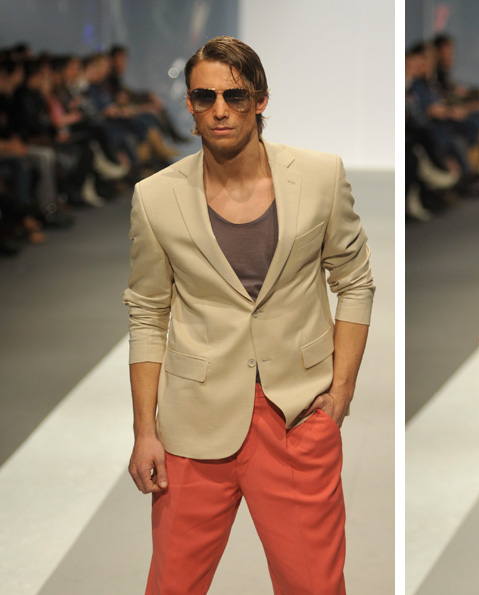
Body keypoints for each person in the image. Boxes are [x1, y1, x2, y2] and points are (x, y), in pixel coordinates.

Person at [123, 36, 374, 594]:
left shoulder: (320, 176)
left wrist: (342, 390)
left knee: (314, 588)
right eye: (204, 96)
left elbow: (355, 281)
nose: (220, 110)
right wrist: (145, 430)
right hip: (194, 420)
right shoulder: (155, 197)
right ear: (189, 104)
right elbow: (147, 313)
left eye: (234, 96)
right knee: (173, 587)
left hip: (297, 415)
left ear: (260, 100)